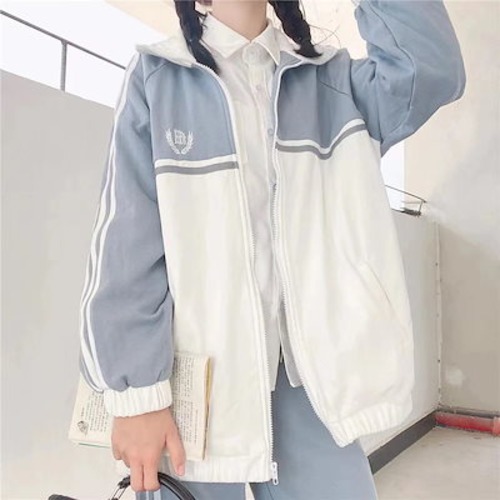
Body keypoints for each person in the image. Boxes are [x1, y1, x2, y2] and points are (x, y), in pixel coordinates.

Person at [77, 0, 466, 498]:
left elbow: (429, 70)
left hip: (311, 382)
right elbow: (125, 250)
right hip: (192, 389)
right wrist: (137, 398)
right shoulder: (160, 77)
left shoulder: (333, 82)